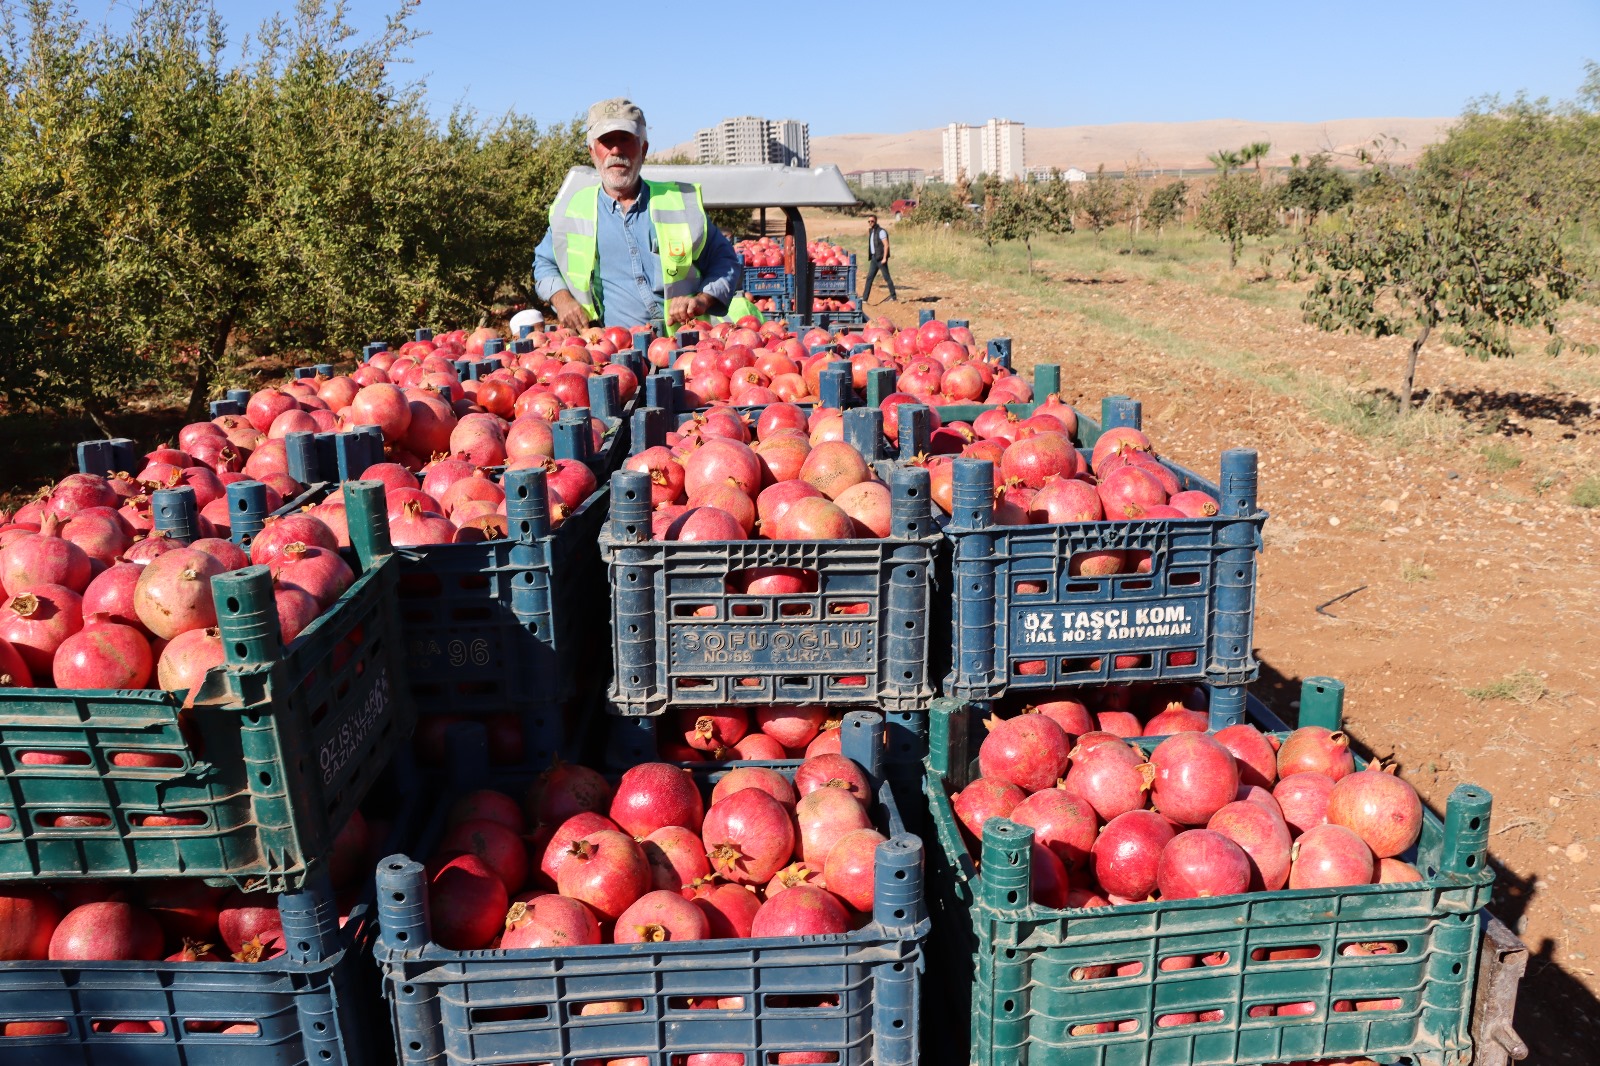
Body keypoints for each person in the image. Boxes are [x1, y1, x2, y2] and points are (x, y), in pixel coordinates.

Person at [533, 98, 743, 334]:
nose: (616, 150)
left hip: (684, 346)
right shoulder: (571, 210)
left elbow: (725, 262)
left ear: (643, 149)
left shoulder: (680, 203)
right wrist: (563, 300)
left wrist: (702, 301)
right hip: (610, 350)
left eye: (625, 139)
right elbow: (544, 264)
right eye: (606, 141)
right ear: (592, 151)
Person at [861, 213, 897, 304]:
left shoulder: (881, 231)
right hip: (874, 258)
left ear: (876, 221)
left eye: (872, 221)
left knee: (886, 277)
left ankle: (893, 297)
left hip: (881, 258)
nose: (870, 222)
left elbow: (886, 245)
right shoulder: (872, 231)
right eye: (869, 221)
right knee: (869, 278)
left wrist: (885, 258)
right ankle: (864, 299)